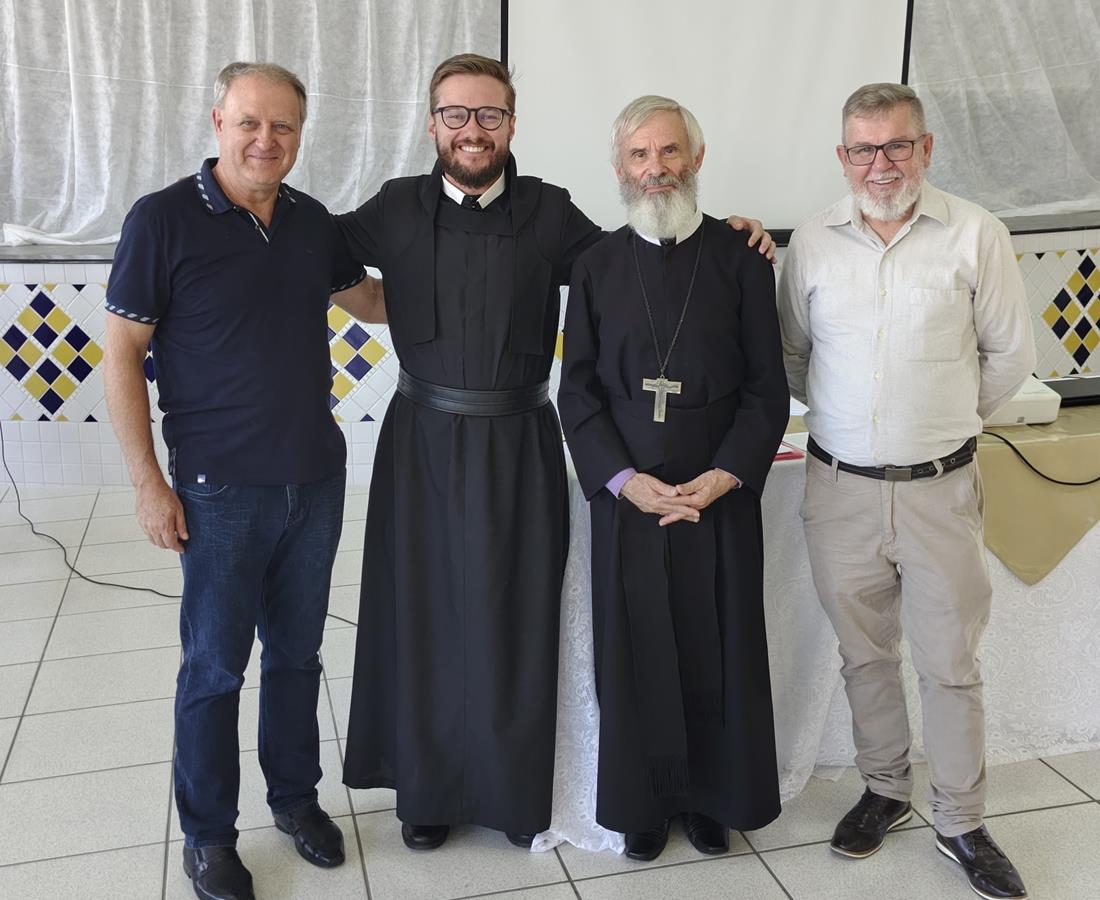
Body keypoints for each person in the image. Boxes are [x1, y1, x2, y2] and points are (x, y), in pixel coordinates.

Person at [336, 54, 773, 851]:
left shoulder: (550, 211)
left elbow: (644, 262)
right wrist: (368, 298)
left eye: (490, 114)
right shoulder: (394, 206)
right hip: (421, 444)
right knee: (420, 612)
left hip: (518, 440)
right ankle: (425, 794)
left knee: (515, 619)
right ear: (433, 123)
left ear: (512, 124)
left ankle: (510, 796)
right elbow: (319, 254)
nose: (473, 129)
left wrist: (735, 234)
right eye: (457, 114)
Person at [104, 61, 383, 900]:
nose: (267, 140)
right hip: (218, 490)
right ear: (218, 122)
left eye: (284, 125)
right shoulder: (161, 220)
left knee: (297, 656)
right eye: (250, 122)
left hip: (315, 481)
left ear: (300, 133)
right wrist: (148, 483)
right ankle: (208, 837)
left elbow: (371, 302)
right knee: (215, 669)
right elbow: (121, 354)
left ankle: (295, 802)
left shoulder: (311, 221)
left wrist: (475, 273)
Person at [776, 83, 1034, 900]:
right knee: (864, 655)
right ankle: (885, 790)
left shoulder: (976, 234)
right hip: (839, 492)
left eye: (896, 146)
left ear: (925, 149)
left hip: (939, 492)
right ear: (842, 156)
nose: (879, 164)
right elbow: (793, 356)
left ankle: (961, 821)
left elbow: (1010, 357)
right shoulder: (811, 243)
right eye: (863, 149)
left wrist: (940, 422)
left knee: (950, 664)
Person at [557, 95, 788, 861]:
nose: (655, 168)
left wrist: (725, 475)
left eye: (668, 151)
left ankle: (712, 800)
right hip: (632, 500)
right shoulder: (595, 266)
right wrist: (623, 480)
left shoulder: (742, 260)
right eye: (639, 155)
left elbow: (766, 390)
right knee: (636, 656)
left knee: (717, 649)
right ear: (620, 168)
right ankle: (645, 804)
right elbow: (577, 392)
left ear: (696, 157)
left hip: (717, 497)